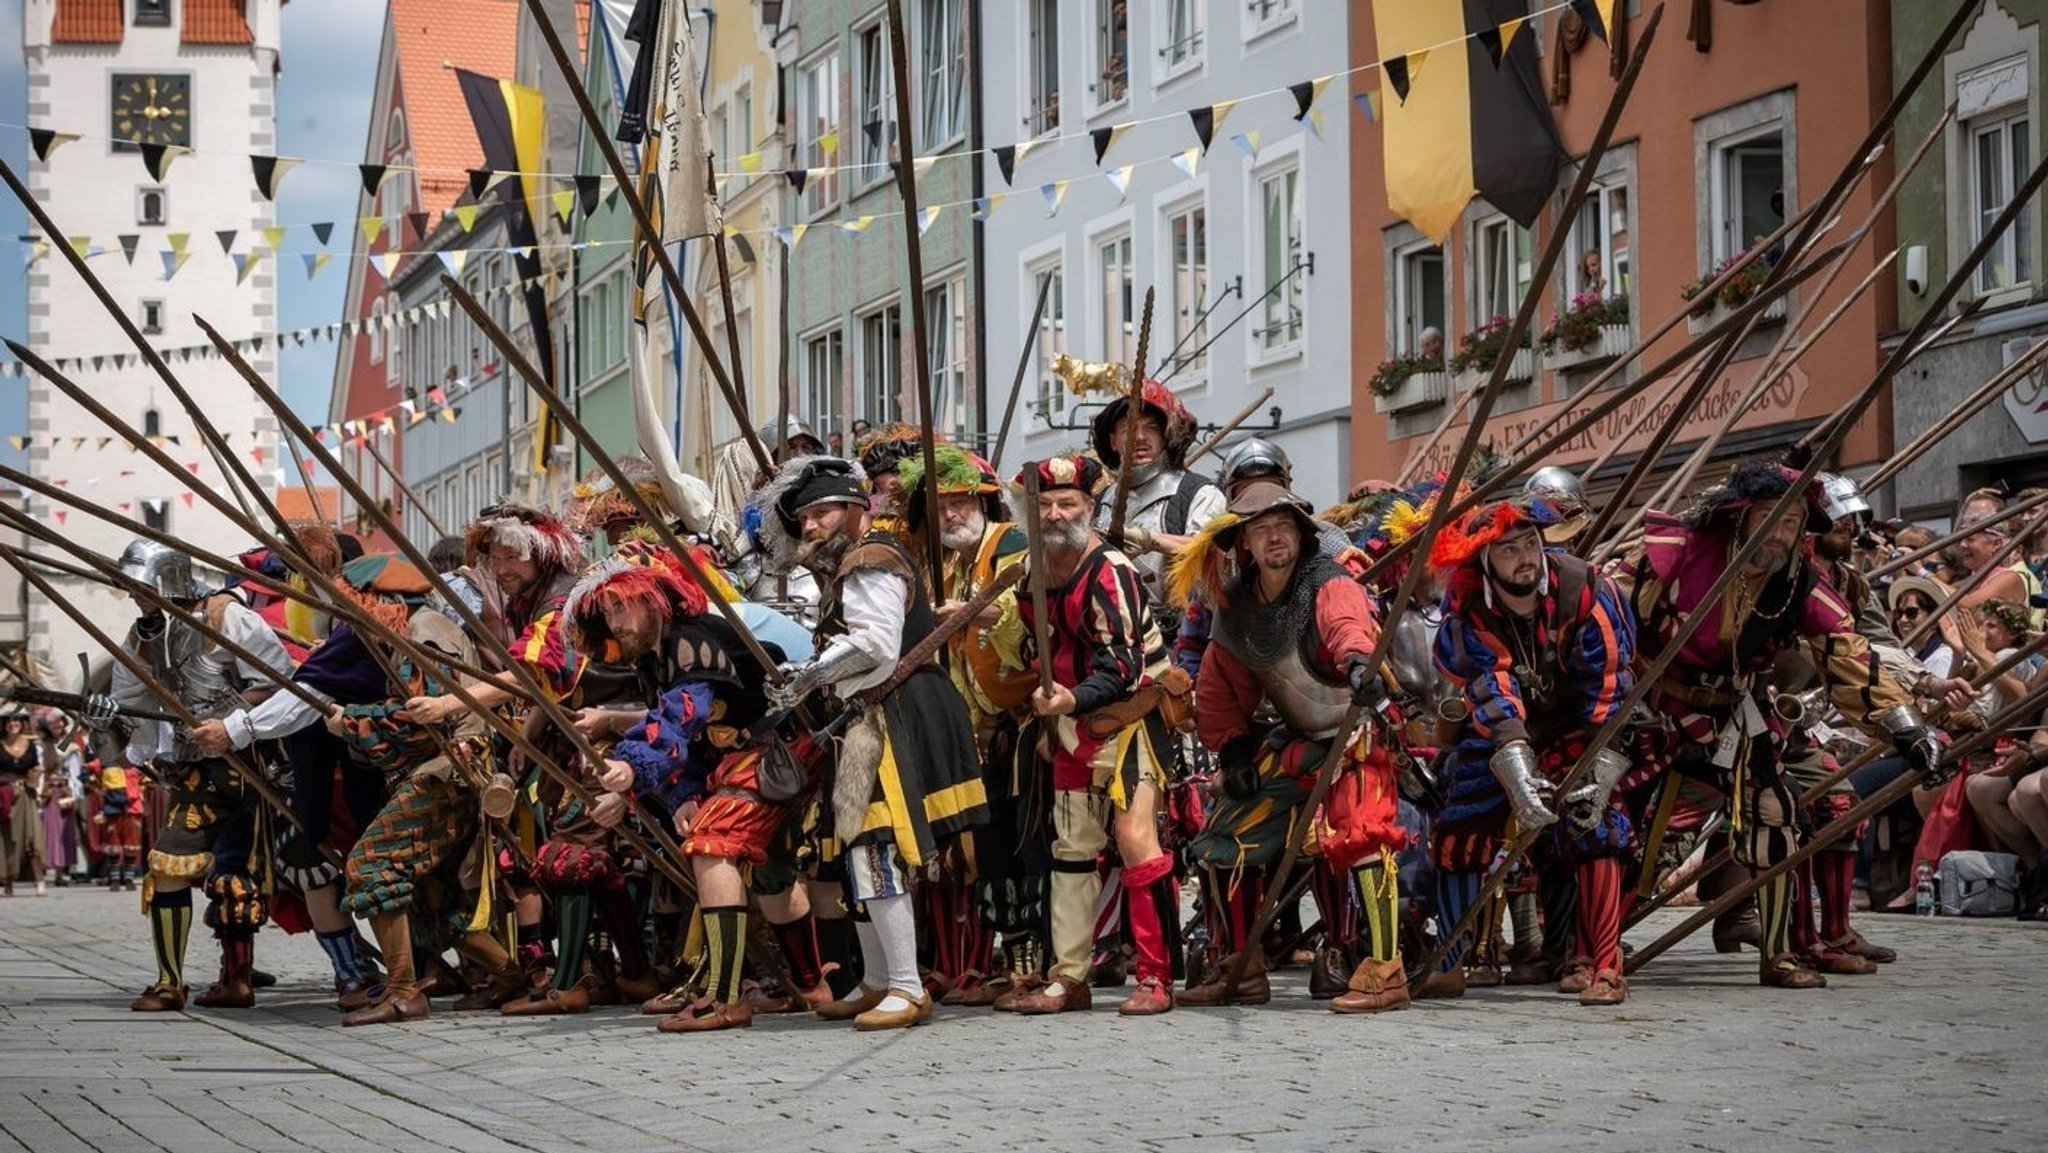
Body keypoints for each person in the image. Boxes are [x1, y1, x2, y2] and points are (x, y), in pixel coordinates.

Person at [1608, 460, 1950, 989]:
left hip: (1735, 717)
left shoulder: (1800, 582)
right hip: (1652, 713)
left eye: (1792, 522)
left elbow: (1850, 656)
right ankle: (1592, 948)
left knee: (1776, 817)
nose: (1781, 532)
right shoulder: (1675, 555)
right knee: (1626, 835)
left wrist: (1909, 730)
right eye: (1770, 517)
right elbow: (1607, 620)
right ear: (1742, 518)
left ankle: (1779, 955)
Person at [751, 454, 989, 1030]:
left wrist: (803, 678)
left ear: (856, 508)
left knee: (874, 849)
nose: (810, 526)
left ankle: (907, 987)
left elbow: (877, 645)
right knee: (851, 852)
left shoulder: (869, 561)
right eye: (804, 518)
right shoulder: (855, 562)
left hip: (893, 716)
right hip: (867, 720)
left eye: (822, 512)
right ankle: (878, 979)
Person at [1169, 478, 1412, 1012]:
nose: (1274, 538)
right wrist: (1232, 751)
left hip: (1356, 735)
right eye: (1261, 530)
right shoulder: (1234, 607)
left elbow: (1348, 627)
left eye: (1283, 527)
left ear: (1302, 536)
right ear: (1245, 545)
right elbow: (1217, 686)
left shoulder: (1328, 582)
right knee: (1222, 834)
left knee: (1363, 834)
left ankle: (1382, 968)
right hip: (1299, 740)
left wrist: (1356, 662)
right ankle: (1241, 964)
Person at [1431, 494, 1638, 1005]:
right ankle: (1448, 963)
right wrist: (1520, 769)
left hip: (1584, 725)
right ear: (1485, 559)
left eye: (1530, 543)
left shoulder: (1586, 589)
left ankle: (1604, 967)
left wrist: (1597, 760)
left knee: (1596, 822)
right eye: (1508, 549)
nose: (1525, 557)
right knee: (1460, 827)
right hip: (1504, 730)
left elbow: (1610, 681)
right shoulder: (1467, 605)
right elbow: (1490, 684)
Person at [999, 455, 1183, 1017]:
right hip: (1073, 724)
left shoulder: (1110, 571)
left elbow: (1123, 665)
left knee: (1133, 839)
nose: (1055, 514)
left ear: (1090, 509)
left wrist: (1070, 700)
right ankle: (1070, 977)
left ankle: (1157, 976)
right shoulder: (1030, 570)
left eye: (1067, 504)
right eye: (1045, 505)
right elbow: (1037, 648)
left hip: (1133, 717)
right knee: (1072, 847)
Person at [92, 539, 295, 1012]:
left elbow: (279, 683)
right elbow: (133, 705)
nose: (137, 598)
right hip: (193, 773)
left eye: (143, 588)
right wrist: (106, 719)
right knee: (167, 866)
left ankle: (237, 977)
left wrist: (230, 725)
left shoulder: (228, 618)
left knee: (235, 875)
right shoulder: (143, 636)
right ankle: (169, 982)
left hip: (250, 766)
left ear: (168, 581)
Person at [900, 445, 1041, 1007]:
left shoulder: (1008, 545)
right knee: (991, 853)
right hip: (984, 734)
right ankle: (1009, 965)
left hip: (1029, 721)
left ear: (984, 502)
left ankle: (1039, 966)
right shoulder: (953, 565)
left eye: (960, 503)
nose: (951, 515)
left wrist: (963, 611)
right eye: (941, 508)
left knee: (1029, 850)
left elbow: (1027, 611)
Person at [0, 707, 46, 897]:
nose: (13, 723)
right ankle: (8, 881)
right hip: (4, 795)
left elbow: (37, 768)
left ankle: (39, 880)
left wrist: (36, 785)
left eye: (17, 720)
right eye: (9, 720)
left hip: (27, 794)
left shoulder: (31, 745)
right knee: (8, 838)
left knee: (32, 836)